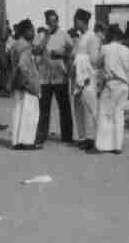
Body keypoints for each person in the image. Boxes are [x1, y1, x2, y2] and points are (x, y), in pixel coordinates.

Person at [34, 10, 74, 145]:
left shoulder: (65, 35)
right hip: (44, 78)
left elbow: (71, 52)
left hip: (60, 76)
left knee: (64, 108)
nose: (53, 24)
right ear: (46, 22)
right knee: (44, 108)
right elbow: (37, 51)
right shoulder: (40, 36)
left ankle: (67, 136)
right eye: (50, 22)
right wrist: (46, 36)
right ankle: (41, 135)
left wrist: (62, 54)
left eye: (55, 21)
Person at [95, 26, 129, 154]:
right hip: (124, 86)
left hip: (110, 84)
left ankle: (103, 146)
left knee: (105, 114)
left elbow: (97, 64)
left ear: (110, 36)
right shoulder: (127, 51)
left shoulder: (105, 49)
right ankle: (117, 146)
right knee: (119, 115)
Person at [6, 19, 42, 150]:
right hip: (26, 84)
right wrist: (30, 82)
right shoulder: (26, 46)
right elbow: (22, 66)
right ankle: (27, 142)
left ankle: (17, 141)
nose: (33, 32)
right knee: (30, 113)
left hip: (16, 83)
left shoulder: (15, 45)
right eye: (31, 30)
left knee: (18, 112)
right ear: (25, 31)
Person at [70, 9, 102, 151]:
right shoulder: (79, 38)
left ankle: (91, 138)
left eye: (75, 21)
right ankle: (82, 137)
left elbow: (94, 60)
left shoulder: (92, 38)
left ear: (81, 21)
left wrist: (80, 60)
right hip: (77, 79)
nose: (74, 23)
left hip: (87, 78)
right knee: (78, 109)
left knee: (90, 109)